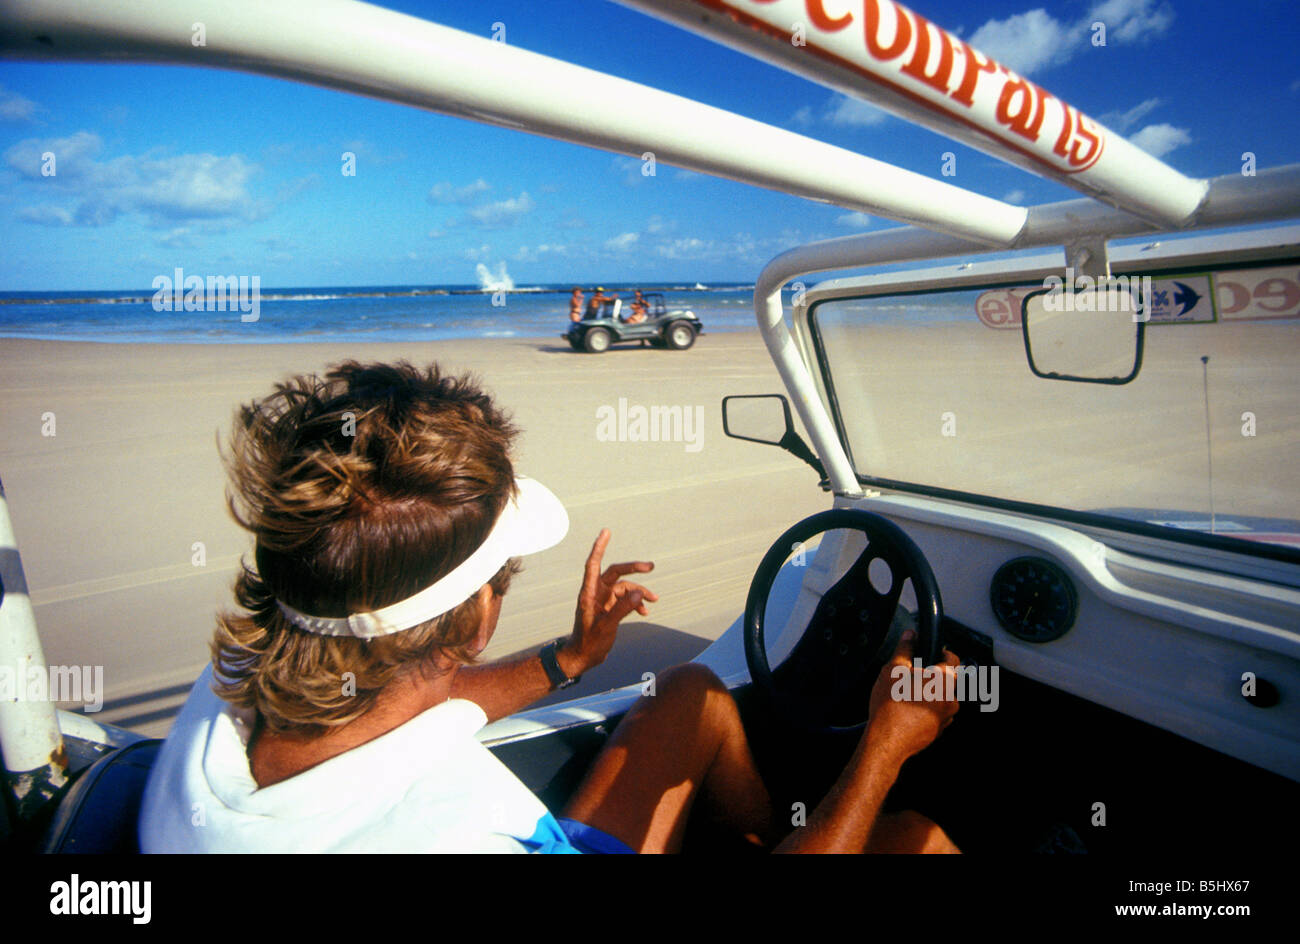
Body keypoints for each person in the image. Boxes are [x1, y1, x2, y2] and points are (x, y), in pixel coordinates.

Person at [139, 360, 961, 853]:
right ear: (471, 619)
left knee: (692, 694)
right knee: (916, 836)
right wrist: (888, 745)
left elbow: (410, 698)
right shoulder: (465, 838)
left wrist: (568, 660)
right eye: (504, 577)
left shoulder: (234, 688)